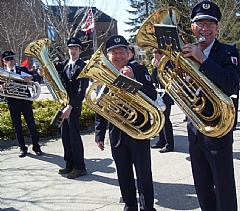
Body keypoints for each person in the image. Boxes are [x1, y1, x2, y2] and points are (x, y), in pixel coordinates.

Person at [182, 1, 239, 210]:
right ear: (192, 27)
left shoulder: (227, 53)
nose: (205, 28)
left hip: (219, 131)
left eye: (210, 24)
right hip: (195, 131)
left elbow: (232, 85)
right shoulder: (184, 53)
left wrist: (202, 60)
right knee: (203, 188)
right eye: (200, 23)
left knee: (224, 189)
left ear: (217, 28)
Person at [95, 35, 157, 211]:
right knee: (123, 175)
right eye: (114, 53)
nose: (118, 56)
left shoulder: (138, 70)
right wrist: (99, 134)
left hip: (138, 130)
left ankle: (147, 208)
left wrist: (133, 81)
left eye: (121, 51)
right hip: (117, 134)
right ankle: (130, 206)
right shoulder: (104, 75)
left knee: (143, 174)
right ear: (108, 56)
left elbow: (152, 95)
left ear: (128, 53)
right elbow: (100, 106)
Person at [54, 37, 89, 179]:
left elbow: (82, 91)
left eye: (75, 49)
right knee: (65, 136)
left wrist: (71, 106)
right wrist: (42, 71)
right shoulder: (65, 64)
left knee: (74, 137)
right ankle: (69, 164)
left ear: (80, 51)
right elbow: (50, 69)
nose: (72, 51)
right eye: (71, 48)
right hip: (64, 105)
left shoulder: (82, 66)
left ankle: (80, 167)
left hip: (73, 106)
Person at [0, 51, 42, 157]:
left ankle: (36, 147)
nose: (10, 62)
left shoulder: (21, 70)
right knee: (17, 126)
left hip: (25, 101)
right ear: (4, 62)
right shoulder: (2, 74)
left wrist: (31, 77)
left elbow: (36, 76)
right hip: (12, 101)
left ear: (14, 60)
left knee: (31, 124)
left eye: (11, 59)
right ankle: (22, 148)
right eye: (7, 60)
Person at [150, 48, 175, 153]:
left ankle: (169, 144)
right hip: (159, 95)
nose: (154, 57)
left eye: (156, 54)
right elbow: (154, 80)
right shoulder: (157, 65)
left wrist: (159, 67)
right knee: (159, 119)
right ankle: (161, 140)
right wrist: (155, 68)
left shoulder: (169, 63)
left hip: (166, 95)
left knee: (166, 120)